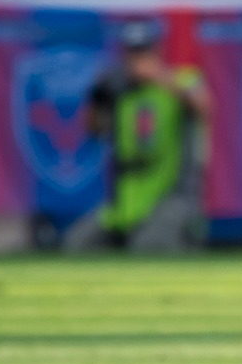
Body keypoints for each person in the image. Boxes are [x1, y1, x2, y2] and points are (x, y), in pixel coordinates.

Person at [63, 21, 210, 252]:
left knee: (149, 246)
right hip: (126, 198)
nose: (138, 59)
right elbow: (93, 130)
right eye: (133, 53)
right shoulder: (121, 91)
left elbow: (204, 105)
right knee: (78, 242)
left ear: (157, 51)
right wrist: (96, 98)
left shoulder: (180, 79)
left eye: (144, 51)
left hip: (169, 195)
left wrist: (159, 76)